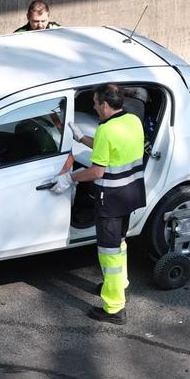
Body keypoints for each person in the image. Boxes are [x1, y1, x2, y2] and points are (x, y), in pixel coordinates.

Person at [54, 84, 146, 325]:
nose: (94, 107)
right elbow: (112, 146)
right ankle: (119, 285)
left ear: (105, 105)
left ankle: (114, 308)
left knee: (109, 253)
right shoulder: (132, 121)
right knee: (120, 244)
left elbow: (96, 172)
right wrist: (82, 138)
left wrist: (69, 177)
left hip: (111, 199)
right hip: (131, 194)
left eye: (95, 103)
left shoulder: (106, 130)